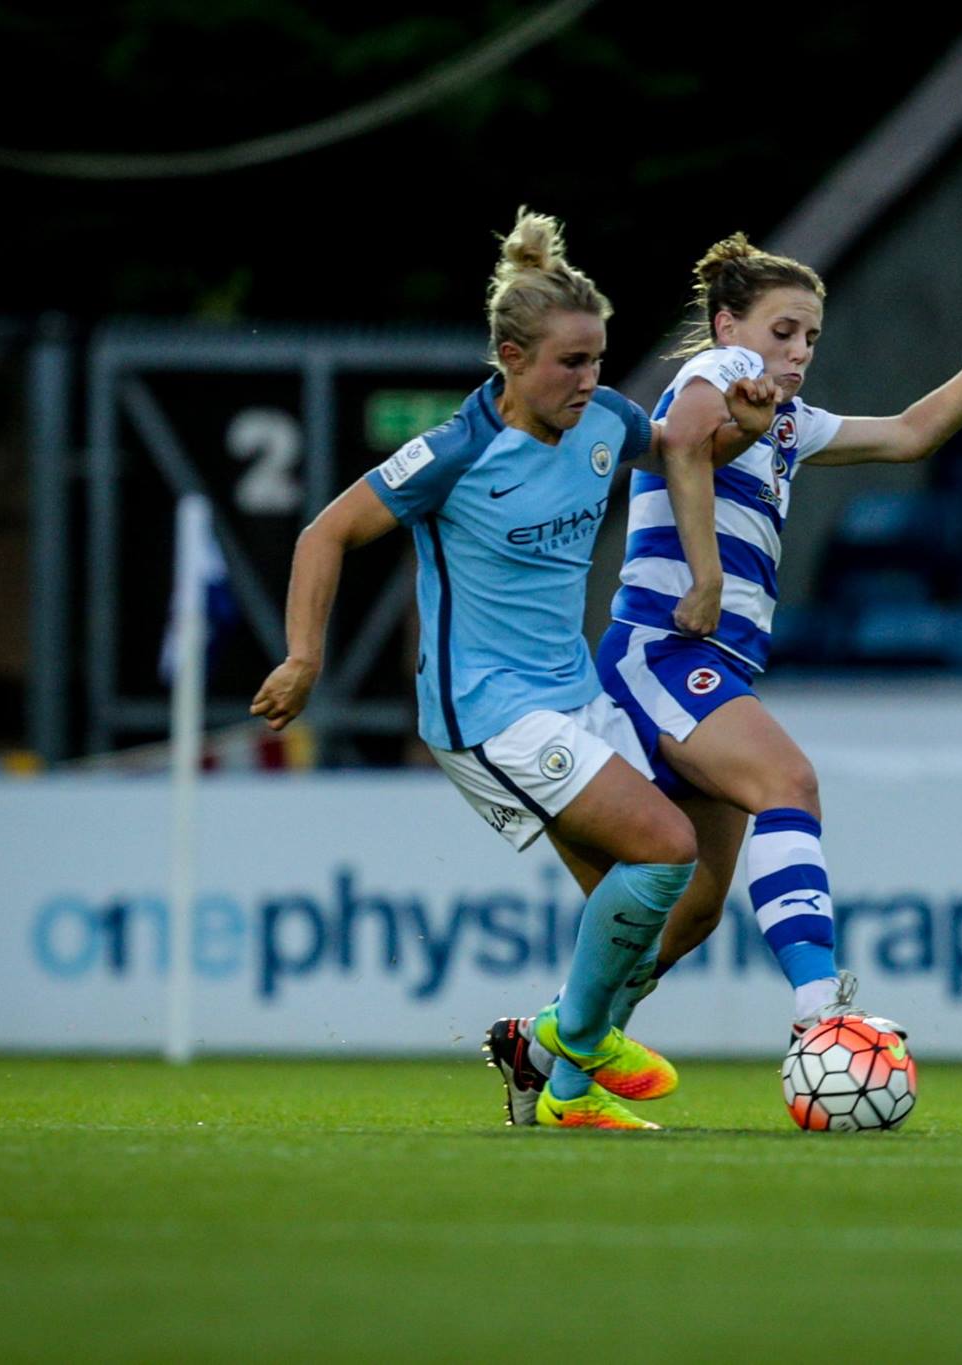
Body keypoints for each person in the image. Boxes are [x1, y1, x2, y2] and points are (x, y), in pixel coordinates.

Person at [487, 234, 962, 1114]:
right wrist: (708, 574)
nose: (797, 351)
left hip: (713, 664)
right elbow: (683, 440)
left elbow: (909, 434)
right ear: (728, 326)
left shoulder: (783, 419)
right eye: (782, 330)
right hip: (663, 650)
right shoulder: (717, 371)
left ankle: (553, 1066)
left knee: (691, 913)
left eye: (811, 337)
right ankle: (820, 1013)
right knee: (789, 781)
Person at [251, 209, 776, 1130]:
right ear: (510, 357)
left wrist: (742, 430)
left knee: (675, 911)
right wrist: (304, 656)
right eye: (571, 362)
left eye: (599, 360)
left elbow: (681, 451)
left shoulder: (605, 420)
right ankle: (571, 1038)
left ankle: (558, 1082)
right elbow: (324, 532)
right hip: (487, 710)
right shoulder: (455, 451)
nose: (591, 380)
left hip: (573, 695)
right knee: (665, 846)